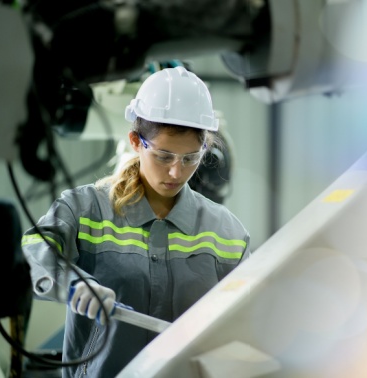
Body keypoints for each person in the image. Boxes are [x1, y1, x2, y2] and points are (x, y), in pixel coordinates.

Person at [21, 66, 251, 377]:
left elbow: (248, 323)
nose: (176, 173)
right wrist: (74, 284)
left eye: (190, 158)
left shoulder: (229, 233)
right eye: (164, 156)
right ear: (135, 141)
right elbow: (35, 249)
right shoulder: (85, 208)